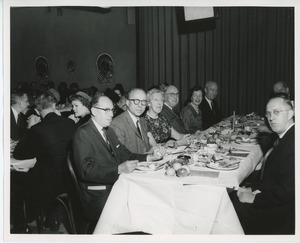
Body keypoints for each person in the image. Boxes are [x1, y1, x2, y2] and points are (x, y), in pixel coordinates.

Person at [72, 94, 162, 221]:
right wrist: (118, 169)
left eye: (112, 110)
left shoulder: (109, 131)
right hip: (98, 192)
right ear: (93, 111)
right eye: (106, 110)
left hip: (115, 185)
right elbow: (86, 170)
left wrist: (148, 157)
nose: (111, 115)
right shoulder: (83, 133)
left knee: (149, 201)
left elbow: (126, 155)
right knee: (140, 209)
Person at [11, 92, 77, 233]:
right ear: (54, 106)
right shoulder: (70, 123)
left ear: (37, 110)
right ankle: (52, 217)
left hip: (46, 184)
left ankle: (21, 226)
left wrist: (29, 128)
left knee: (13, 180)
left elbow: (18, 154)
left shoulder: (37, 129)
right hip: (69, 180)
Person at [231, 92, 295, 234]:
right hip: (278, 202)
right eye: (268, 113)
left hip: (283, 216)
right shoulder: (286, 137)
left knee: (230, 207)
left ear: (291, 113)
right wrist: (252, 187)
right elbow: (273, 179)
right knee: (233, 195)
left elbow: (287, 192)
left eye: (276, 112)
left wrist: (253, 198)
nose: (271, 118)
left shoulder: (294, 144)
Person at [111, 88, 151, 154]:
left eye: (143, 101)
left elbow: (145, 148)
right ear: (127, 103)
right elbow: (121, 155)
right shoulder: (117, 124)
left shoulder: (142, 120)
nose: (140, 105)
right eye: (136, 101)